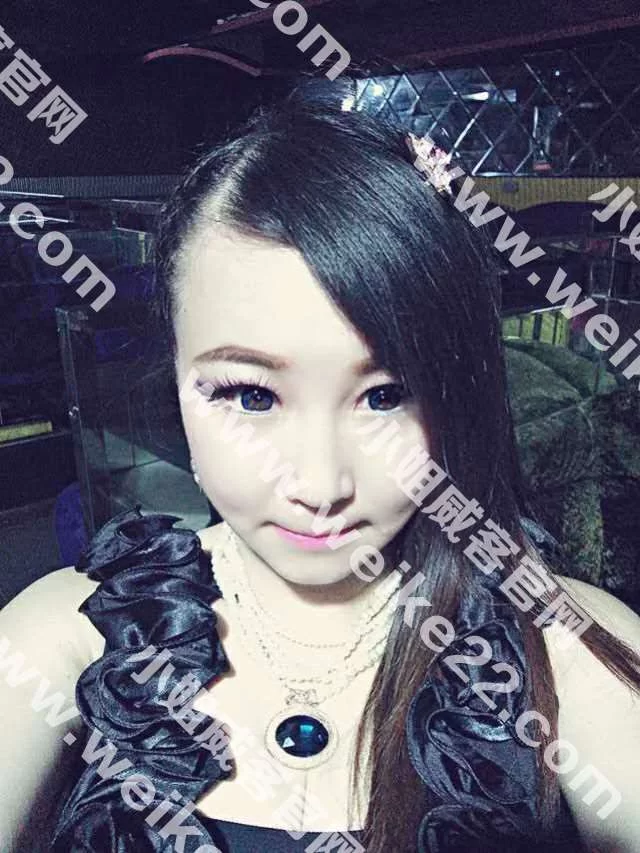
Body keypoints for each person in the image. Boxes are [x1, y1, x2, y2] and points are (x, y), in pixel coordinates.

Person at [1, 91, 640, 853]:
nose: (318, 484)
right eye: (251, 394)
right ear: (175, 373)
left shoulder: (568, 651)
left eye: (386, 395)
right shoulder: (70, 634)